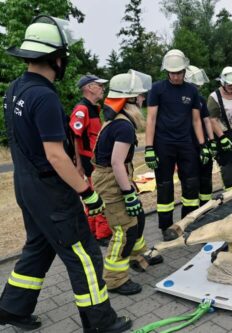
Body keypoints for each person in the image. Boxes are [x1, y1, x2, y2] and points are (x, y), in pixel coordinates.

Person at [0, 15, 131, 332]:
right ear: (55, 58)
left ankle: (12, 309)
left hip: (26, 185)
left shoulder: (16, 89)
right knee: (83, 254)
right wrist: (88, 192)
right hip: (50, 191)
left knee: (39, 247)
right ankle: (100, 323)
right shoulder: (44, 96)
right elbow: (56, 154)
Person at [91, 70, 163, 295]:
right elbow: (116, 162)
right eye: (140, 96)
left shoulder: (118, 120)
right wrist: (127, 193)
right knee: (124, 229)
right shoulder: (123, 126)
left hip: (114, 177)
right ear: (129, 99)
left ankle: (137, 256)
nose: (143, 100)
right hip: (111, 180)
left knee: (138, 218)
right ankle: (114, 279)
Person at [145, 49, 209, 241]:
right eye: (172, 72)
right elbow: (151, 119)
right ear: (166, 71)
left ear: (184, 70)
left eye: (179, 72)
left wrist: (203, 144)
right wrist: (148, 148)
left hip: (186, 145)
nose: (175, 76)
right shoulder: (157, 89)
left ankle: (187, 222)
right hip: (163, 144)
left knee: (191, 185)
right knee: (165, 186)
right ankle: (166, 227)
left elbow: (197, 121)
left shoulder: (192, 91)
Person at [70, 74, 112, 246]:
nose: (103, 88)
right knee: (102, 194)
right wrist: (78, 164)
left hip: (96, 158)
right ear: (89, 88)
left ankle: (93, 232)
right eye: (99, 85)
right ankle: (102, 235)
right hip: (90, 160)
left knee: (95, 195)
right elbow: (75, 137)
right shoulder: (82, 109)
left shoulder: (95, 107)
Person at [185, 65, 216, 206]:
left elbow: (207, 121)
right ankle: (192, 212)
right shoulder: (182, 101)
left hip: (203, 145)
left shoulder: (201, 100)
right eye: (195, 85)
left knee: (206, 178)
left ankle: (206, 207)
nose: (198, 88)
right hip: (188, 146)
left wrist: (212, 141)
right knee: (191, 181)